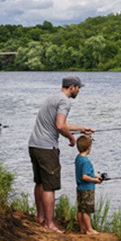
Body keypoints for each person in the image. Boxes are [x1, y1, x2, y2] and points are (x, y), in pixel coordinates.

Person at [28, 76, 93, 233]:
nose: (79, 91)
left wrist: (81, 129)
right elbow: (59, 125)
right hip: (47, 148)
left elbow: (61, 123)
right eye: (78, 88)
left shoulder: (52, 98)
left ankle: (40, 217)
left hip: (34, 145)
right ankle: (49, 224)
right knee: (50, 186)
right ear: (72, 87)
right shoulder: (65, 101)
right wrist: (71, 138)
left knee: (40, 182)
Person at [74, 134, 103, 235]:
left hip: (80, 188)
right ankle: (89, 230)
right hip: (87, 188)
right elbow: (85, 176)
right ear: (89, 148)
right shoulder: (86, 161)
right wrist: (95, 181)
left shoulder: (78, 159)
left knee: (80, 209)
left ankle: (82, 229)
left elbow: (86, 173)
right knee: (86, 211)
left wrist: (96, 176)